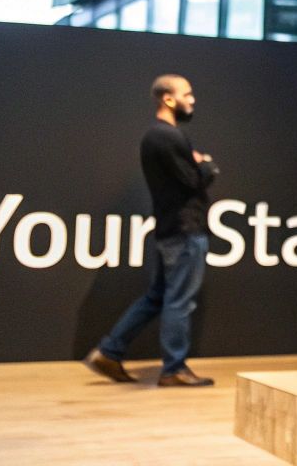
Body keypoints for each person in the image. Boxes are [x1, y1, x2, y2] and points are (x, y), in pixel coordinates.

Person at [83, 74, 220, 387]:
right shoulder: (169, 137)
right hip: (185, 229)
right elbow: (193, 181)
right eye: (188, 93)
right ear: (168, 99)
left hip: (168, 228)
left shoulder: (155, 137)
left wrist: (197, 164)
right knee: (179, 300)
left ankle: (109, 351)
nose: (193, 99)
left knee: (157, 297)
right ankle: (174, 369)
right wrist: (207, 165)